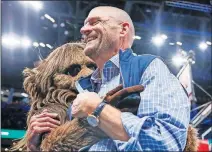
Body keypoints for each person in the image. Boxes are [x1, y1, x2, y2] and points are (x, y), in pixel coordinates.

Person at [27, 6, 190, 151]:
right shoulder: (82, 90)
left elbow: (165, 144)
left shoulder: (148, 67)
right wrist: (35, 147)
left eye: (94, 22)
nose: (83, 29)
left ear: (122, 30)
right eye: (84, 24)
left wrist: (97, 110)